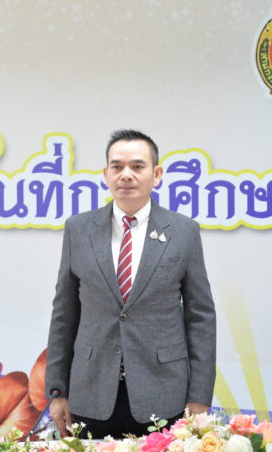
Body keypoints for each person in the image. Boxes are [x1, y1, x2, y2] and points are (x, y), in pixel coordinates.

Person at [45, 129, 216, 438]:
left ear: (156, 174)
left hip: (163, 393)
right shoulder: (78, 230)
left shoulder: (183, 232)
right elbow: (64, 315)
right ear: (106, 174)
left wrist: (200, 397)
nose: (126, 175)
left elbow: (200, 318)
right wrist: (57, 391)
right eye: (117, 166)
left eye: (137, 166)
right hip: (90, 392)